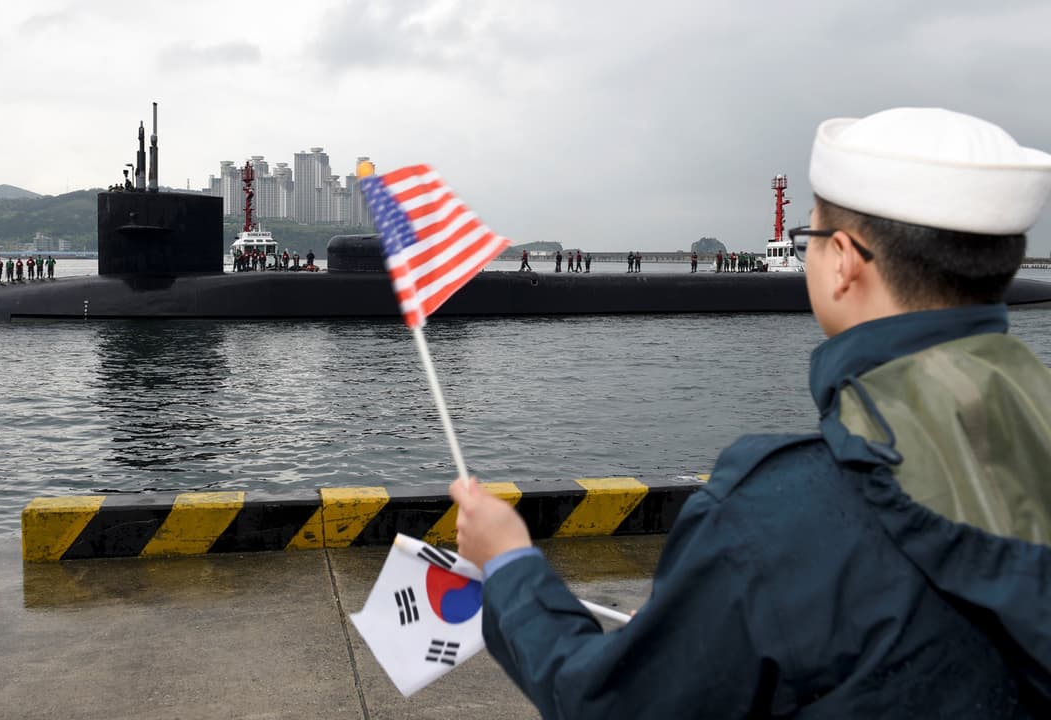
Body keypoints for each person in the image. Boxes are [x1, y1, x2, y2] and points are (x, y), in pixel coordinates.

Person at [449, 107, 1051, 717]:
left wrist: (508, 563)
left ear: (841, 261)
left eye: (810, 239)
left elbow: (601, 705)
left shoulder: (771, 517)